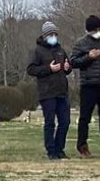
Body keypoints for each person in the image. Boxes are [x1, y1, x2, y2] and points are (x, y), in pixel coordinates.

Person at [69, 15, 100, 158]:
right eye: (94, 30)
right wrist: (88, 57)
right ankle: (82, 146)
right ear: (88, 31)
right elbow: (73, 62)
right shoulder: (81, 44)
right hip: (88, 86)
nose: (97, 32)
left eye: (99, 29)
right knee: (85, 117)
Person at [27, 21, 72, 160]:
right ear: (45, 35)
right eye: (51, 34)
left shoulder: (60, 50)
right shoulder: (37, 51)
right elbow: (31, 69)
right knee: (50, 122)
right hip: (47, 93)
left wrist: (67, 67)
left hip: (62, 92)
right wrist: (48, 69)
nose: (54, 36)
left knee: (65, 122)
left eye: (55, 34)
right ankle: (51, 150)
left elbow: (68, 67)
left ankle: (60, 148)